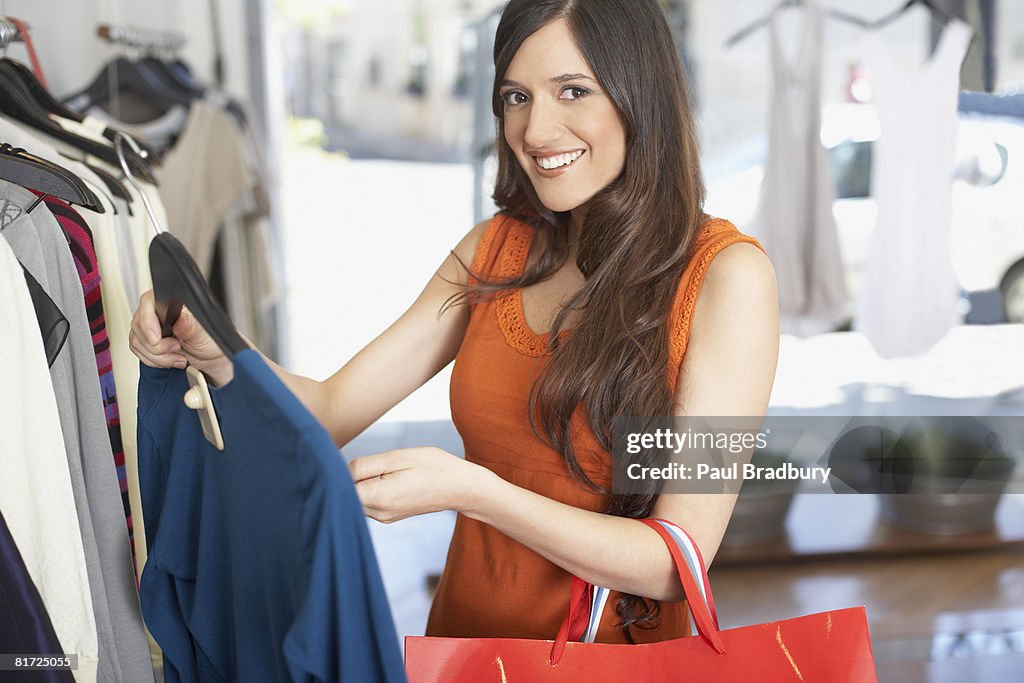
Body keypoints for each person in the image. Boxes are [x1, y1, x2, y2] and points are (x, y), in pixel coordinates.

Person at [130, 0, 778, 645]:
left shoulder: (727, 279)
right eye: (517, 97)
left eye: (572, 90)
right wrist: (216, 354)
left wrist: (475, 492)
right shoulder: (493, 251)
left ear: (643, 96)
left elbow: (675, 561)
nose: (535, 130)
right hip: (462, 650)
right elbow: (329, 408)